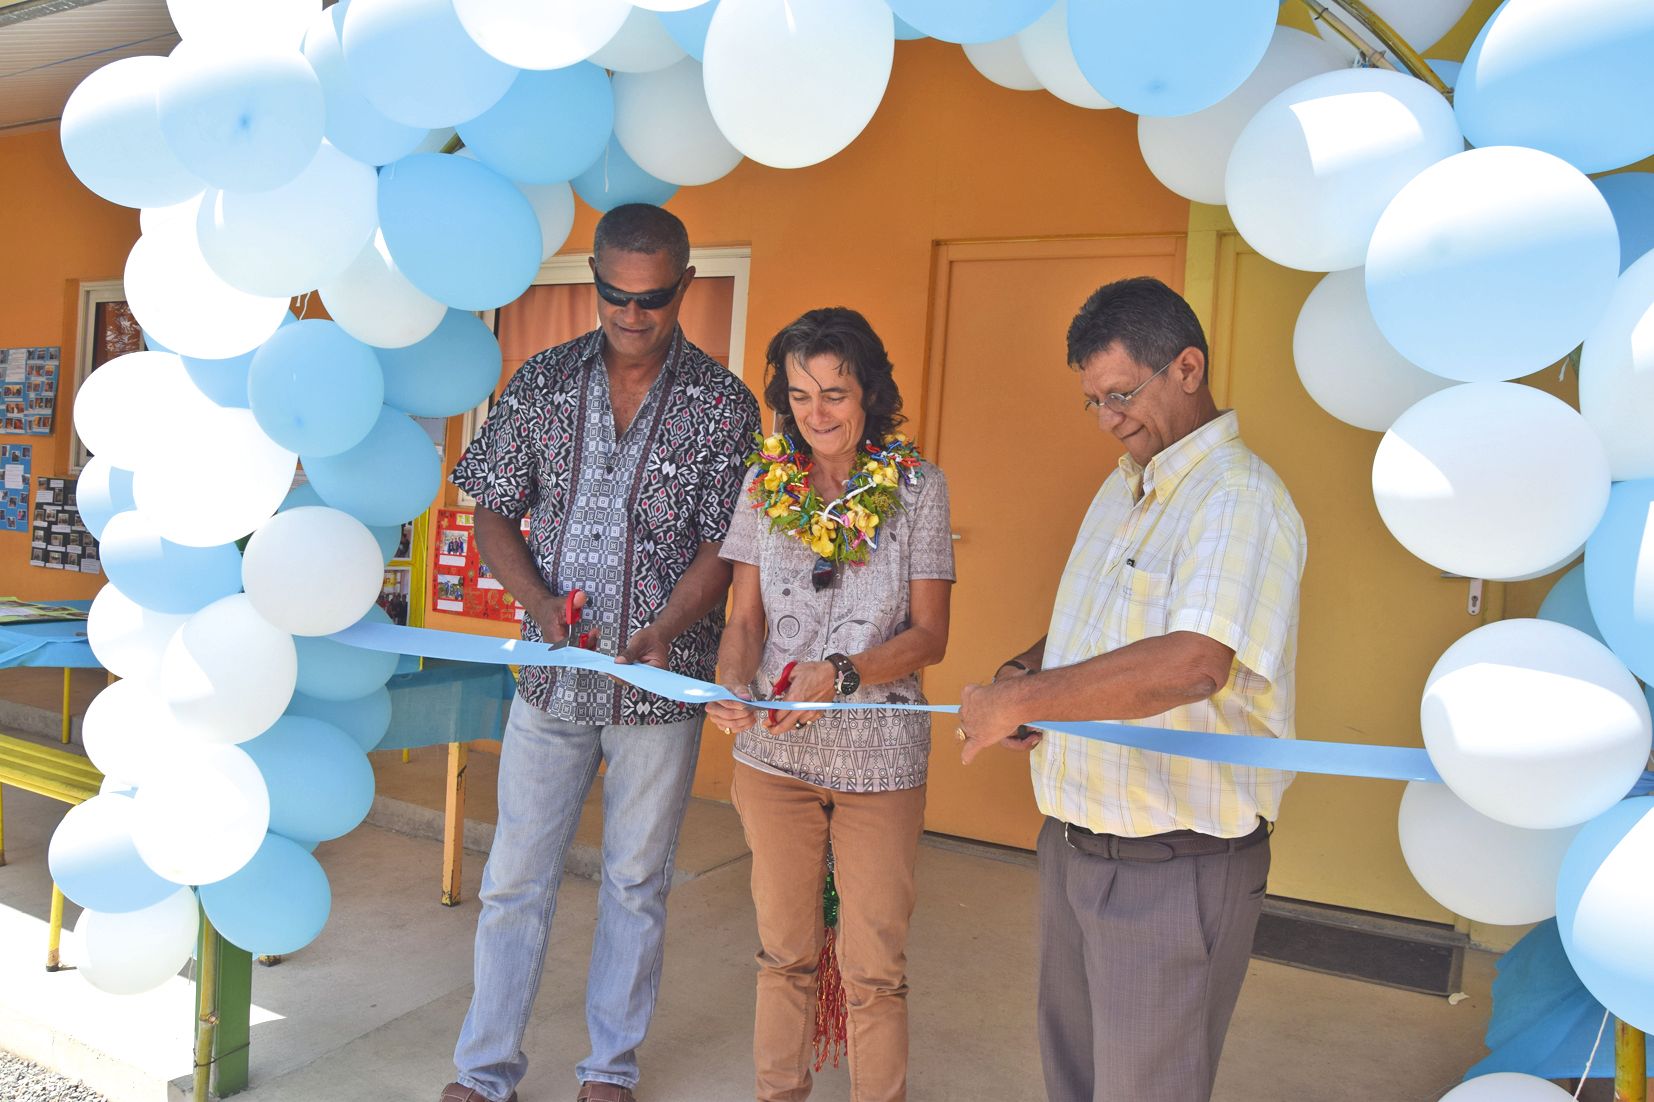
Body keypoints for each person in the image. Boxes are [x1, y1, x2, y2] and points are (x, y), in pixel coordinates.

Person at [956, 276, 1308, 1102]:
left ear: (1187, 367)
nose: (1109, 418)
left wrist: (1025, 704)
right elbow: (1100, 627)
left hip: (1173, 867)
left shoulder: (1237, 499)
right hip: (1077, 846)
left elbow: (1192, 663)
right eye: (1094, 401)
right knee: (1074, 1080)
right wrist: (1025, 673)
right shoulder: (1127, 485)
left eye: (1121, 394)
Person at [442, 204, 761, 1102]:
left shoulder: (723, 405)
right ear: (595, 285)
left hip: (663, 687)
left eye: (652, 298)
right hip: (551, 681)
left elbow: (726, 545)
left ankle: (608, 1070)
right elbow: (493, 507)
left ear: (685, 287)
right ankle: (485, 1069)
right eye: (616, 296)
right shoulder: (541, 381)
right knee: (514, 877)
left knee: (634, 883)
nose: (632, 314)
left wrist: (666, 627)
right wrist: (537, 602)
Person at [707, 307, 954, 1102]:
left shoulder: (918, 488)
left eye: (836, 394)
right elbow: (743, 622)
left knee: (874, 969)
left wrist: (841, 674)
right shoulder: (762, 481)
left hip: (878, 764)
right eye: (802, 395)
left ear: (869, 393)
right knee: (785, 954)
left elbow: (930, 636)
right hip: (772, 760)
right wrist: (730, 686)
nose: (818, 413)